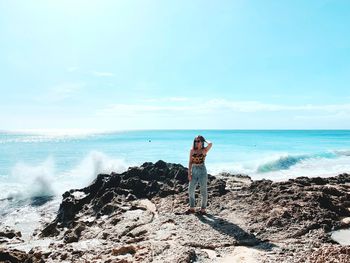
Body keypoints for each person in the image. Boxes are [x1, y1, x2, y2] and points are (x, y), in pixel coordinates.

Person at [186, 135, 212, 215]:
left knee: (203, 191)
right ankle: (192, 208)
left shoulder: (204, 150)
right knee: (190, 190)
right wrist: (189, 173)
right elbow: (190, 162)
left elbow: (210, 144)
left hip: (202, 171)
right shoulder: (192, 150)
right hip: (194, 170)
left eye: (198, 141)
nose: (196, 143)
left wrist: (204, 140)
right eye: (195, 141)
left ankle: (203, 209)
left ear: (201, 142)